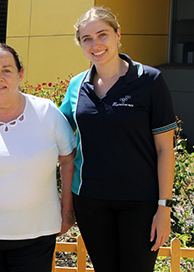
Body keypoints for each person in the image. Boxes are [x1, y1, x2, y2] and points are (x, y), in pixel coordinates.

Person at [59, 7, 176, 272]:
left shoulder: (149, 81)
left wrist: (164, 208)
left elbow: (165, 150)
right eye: (87, 38)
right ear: (80, 44)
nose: (96, 44)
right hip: (91, 202)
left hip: (141, 203)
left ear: (117, 35)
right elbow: (55, 131)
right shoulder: (77, 86)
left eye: (102, 34)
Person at [0, 43, 77, 272]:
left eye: (7, 70)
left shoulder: (47, 112)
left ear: (20, 74)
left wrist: (67, 209)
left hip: (37, 235)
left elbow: (69, 159)